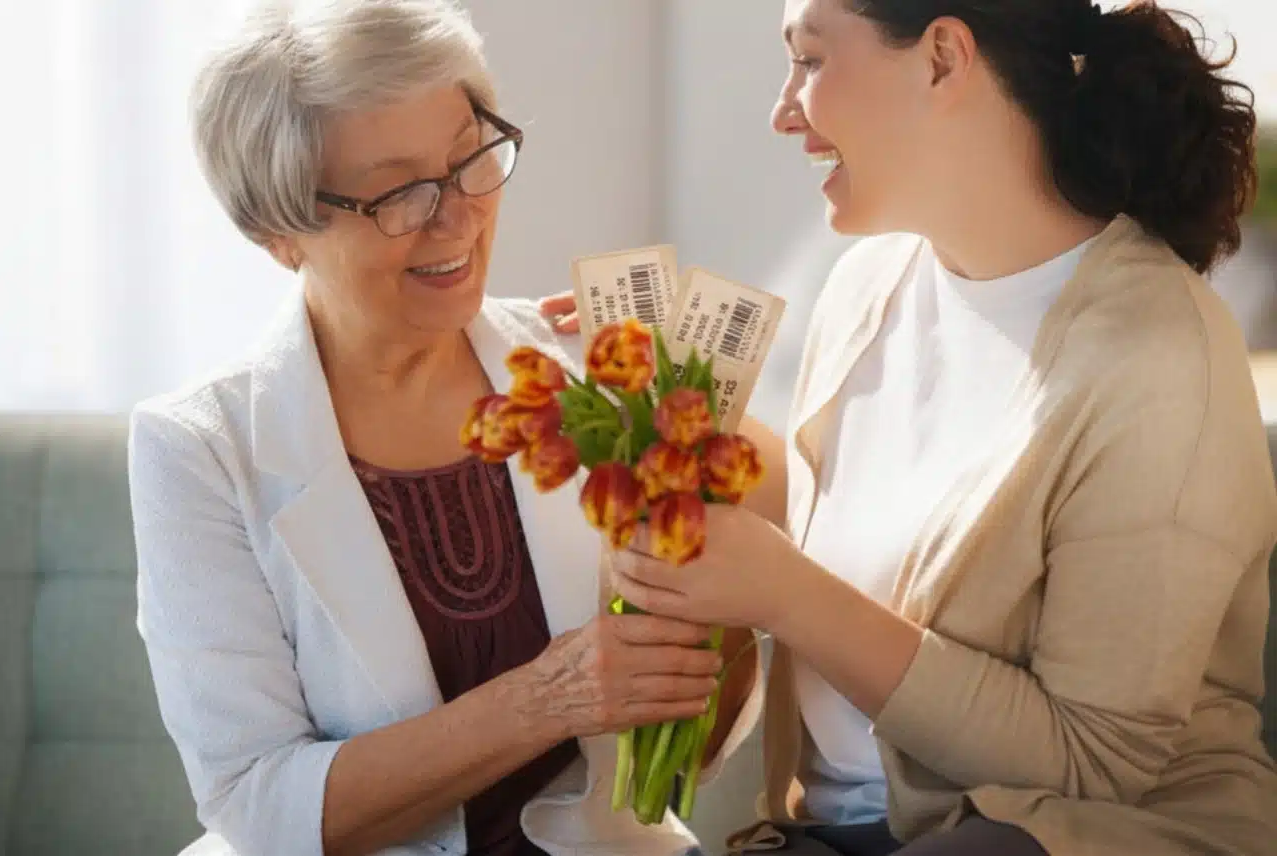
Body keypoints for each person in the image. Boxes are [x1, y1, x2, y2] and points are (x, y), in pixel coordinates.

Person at [547, 1, 1277, 854]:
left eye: (812, 62)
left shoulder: (1154, 358)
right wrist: (681, 410)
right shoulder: (871, 284)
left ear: (941, 57)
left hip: (1077, 832)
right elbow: (849, 529)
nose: (783, 110)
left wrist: (783, 592)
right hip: (840, 829)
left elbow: (1094, 762)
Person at [126, 2, 770, 855]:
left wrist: (702, 479)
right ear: (277, 232)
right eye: (401, 193)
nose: (459, 218)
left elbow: (695, 745)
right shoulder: (200, 449)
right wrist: (549, 696)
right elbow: (255, 801)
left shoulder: (594, 380)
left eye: (470, 159)